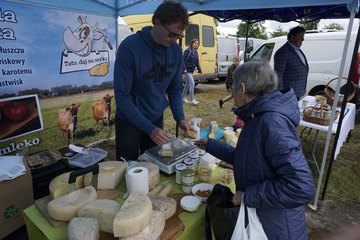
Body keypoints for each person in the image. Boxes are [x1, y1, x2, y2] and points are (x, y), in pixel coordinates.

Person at [196, 61, 315, 240]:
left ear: (242, 89)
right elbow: (247, 159)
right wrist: (210, 144)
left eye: (232, 89)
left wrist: (248, 196)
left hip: (276, 229)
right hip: (264, 221)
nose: (232, 94)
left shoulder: (271, 122)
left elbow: (300, 187)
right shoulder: (257, 116)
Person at [113, 1, 194, 160]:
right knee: (127, 167)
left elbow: (175, 88)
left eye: (179, 36)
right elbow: (122, 96)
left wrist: (180, 118)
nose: (174, 40)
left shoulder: (176, 51)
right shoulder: (129, 48)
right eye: (171, 34)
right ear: (157, 22)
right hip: (129, 120)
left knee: (154, 165)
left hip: (155, 117)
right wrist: (149, 129)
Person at [274, 26, 309, 100]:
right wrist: (280, 94)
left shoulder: (297, 50)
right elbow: (278, 74)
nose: (303, 39)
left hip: (295, 93)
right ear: (292, 37)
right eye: (301, 36)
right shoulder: (283, 52)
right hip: (287, 95)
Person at [182, 39, 202, 105]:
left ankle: (182, 98)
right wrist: (184, 69)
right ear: (192, 44)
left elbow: (197, 62)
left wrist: (200, 70)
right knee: (192, 84)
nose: (196, 44)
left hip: (191, 71)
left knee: (187, 85)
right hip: (187, 71)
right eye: (195, 43)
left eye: (197, 43)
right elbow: (182, 60)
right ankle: (192, 100)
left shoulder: (196, 52)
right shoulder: (188, 51)